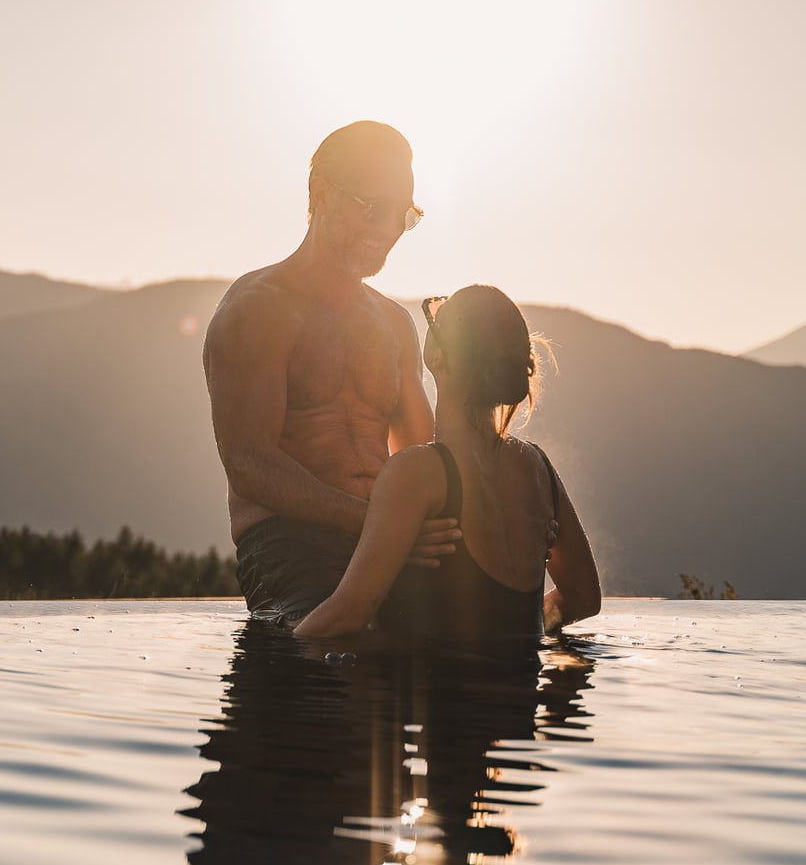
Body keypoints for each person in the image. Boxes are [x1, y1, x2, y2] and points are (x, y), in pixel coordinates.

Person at [204, 121, 460, 622]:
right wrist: (377, 523)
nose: (388, 230)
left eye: (404, 215)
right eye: (374, 208)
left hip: (386, 537)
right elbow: (247, 462)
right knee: (342, 644)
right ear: (321, 193)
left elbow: (425, 453)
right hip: (291, 544)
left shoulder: (393, 324)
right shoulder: (258, 309)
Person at [293, 285, 600, 645]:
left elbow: (346, 616)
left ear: (439, 356)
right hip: (520, 679)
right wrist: (518, 631)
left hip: (438, 679)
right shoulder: (538, 469)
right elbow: (584, 598)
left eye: (437, 313)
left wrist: (282, 650)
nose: (432, 313)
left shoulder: (417, 472)